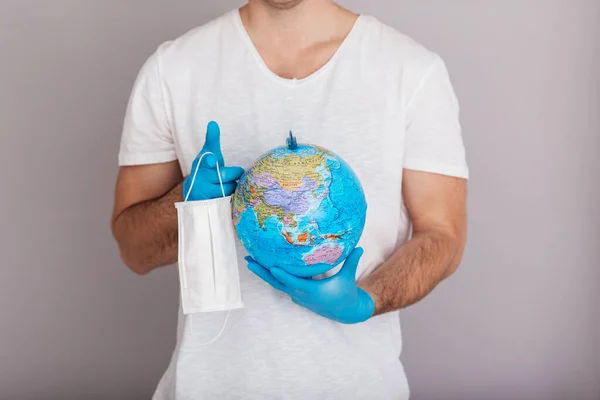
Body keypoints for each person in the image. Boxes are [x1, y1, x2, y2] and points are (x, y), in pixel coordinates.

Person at [111, 0, 468, 398]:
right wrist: (184, 207)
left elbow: (443, 236)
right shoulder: (173, 70)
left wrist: (367, 299)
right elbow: (133, 251)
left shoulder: (411, 71)